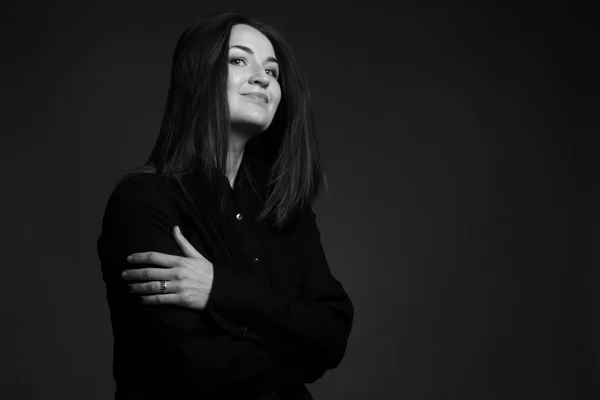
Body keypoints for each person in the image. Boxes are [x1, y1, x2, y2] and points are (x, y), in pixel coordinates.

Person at [97, 12, 354, 400]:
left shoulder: (284, 207)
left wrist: (218, 290)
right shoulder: (143, 201)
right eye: (238, 60)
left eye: (273, 71)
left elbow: (332, 331)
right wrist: (303, 352)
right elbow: (199, 367)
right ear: (198, 77)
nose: (263, 77)